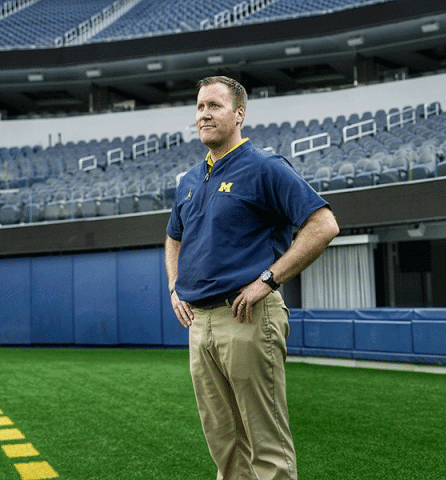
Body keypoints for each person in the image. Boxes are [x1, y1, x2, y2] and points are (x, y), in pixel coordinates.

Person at [165, 76, 339, 480]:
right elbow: (173, 236)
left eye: (214, 106)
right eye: (199, 107)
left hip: (247, 317)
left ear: (239, 114)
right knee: (224, 443)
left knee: (266, 443)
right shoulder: (191, 180)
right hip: (199, 323)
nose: (203, 114)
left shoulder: (264, 166)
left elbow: (323, 224)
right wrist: (174, 285)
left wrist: (268, 279)